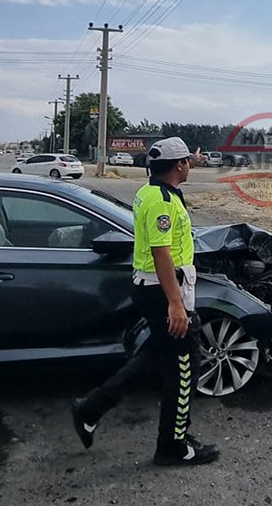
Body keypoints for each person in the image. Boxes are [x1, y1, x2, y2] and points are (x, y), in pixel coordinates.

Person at [70, 137, 220, 466]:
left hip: (155, 287)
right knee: (184, 370)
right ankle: (173, 447)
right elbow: (160, 252)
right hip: (162, 290)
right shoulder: (162, 201)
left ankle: (90, 409)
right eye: (188, 161)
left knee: (153, 356)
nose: (191, 165)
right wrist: (176, 304)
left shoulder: (150, 192)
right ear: (179, 165)